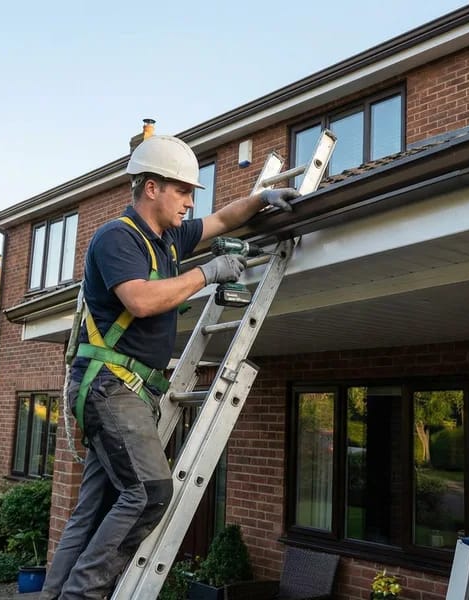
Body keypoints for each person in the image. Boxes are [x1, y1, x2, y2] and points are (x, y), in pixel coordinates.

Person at [40, 134, 299, 600]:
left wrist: (263, 198)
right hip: (110, 386)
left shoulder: (169, 237)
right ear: (152, 188)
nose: (189, 201)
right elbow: (139, 300)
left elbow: (222, 220)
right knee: (150, 492)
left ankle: (54, 595)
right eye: (182, 191)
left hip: (124, 387)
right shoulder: (118, 237)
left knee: (94, 507)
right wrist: (208, 272)